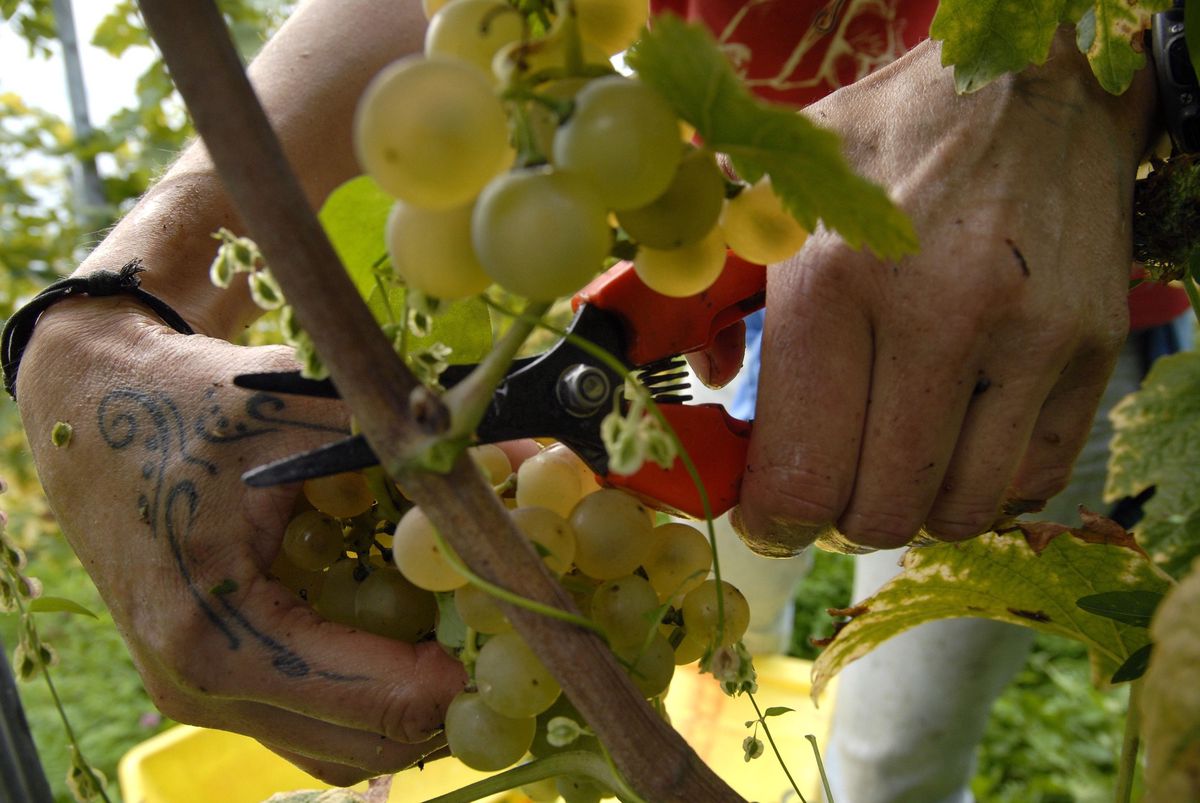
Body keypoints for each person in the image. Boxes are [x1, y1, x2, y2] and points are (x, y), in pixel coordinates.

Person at [7, 0, 1177, 793]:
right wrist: (115, 300)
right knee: (726, 632)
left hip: (1046, 325)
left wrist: (1073, 61)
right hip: (723, 279)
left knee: (900, 732)